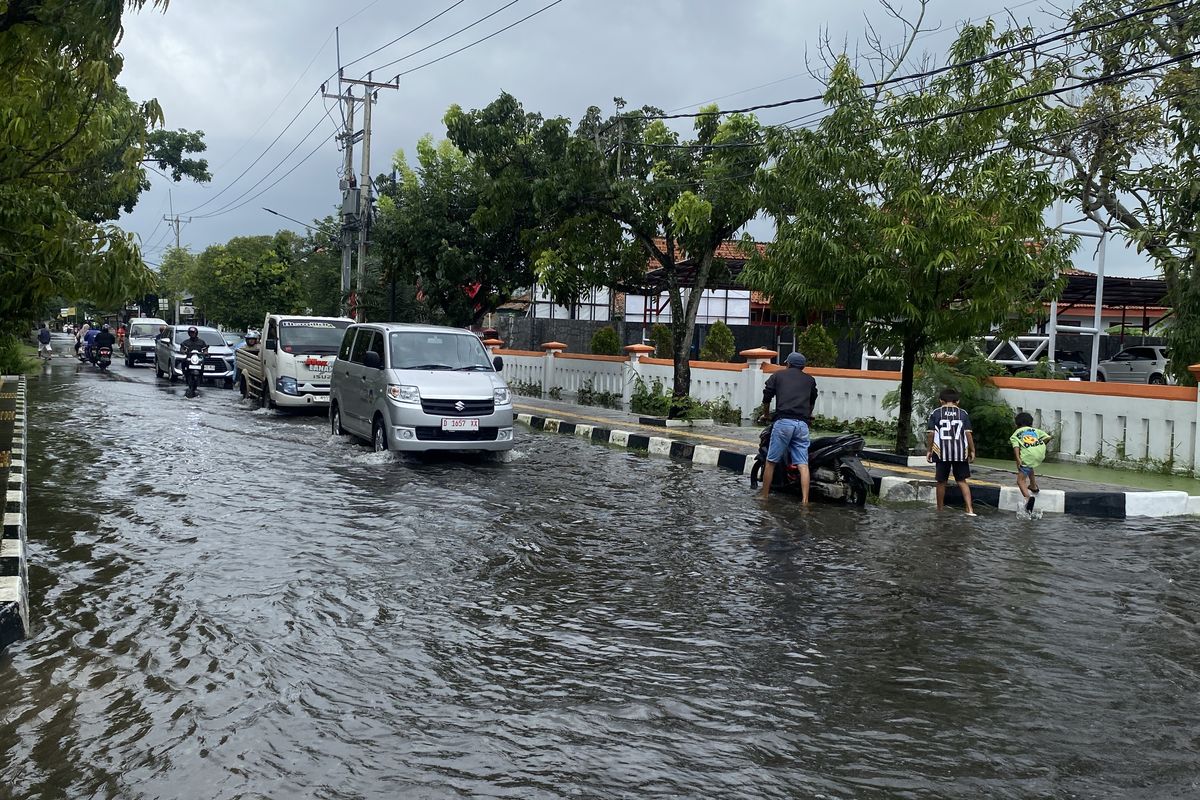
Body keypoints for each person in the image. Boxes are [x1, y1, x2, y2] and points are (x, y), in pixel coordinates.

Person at [758, 351, 818, 502]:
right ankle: (805, 501)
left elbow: (767, 396)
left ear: (788, 364)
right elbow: (812, 400)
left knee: (771, 461)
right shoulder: (810, 380)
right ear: (803, 366)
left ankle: (764, 496)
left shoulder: (778, 376)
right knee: (803, 464)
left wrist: (766, 414)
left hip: (784, 422)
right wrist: (808, 415)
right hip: (802, 425)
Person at [925, 388, 977, 516]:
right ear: (957, 401)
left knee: (941, 481)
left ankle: (940, 509)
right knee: (962, 480)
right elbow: (968, 433)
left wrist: (929, 450)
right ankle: (969, 509)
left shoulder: (936, 413)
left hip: (941, 451)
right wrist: (972, 450)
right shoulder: (963, 413)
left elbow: (931, 434)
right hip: (960, 452)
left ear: (941, 401)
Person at [1010, 411, 1053, 515]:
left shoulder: (1015, 434)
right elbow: (1048, 437)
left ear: (1017, 424)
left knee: (1020, 480)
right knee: (1030, 466)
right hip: (1040, 453)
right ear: (1031, 423)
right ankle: (1033, 486)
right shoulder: (1035, 430)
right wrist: (1038, 446)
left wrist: (1018, 459)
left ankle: (1028, 498)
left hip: (1028, 455)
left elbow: (1016, 448)